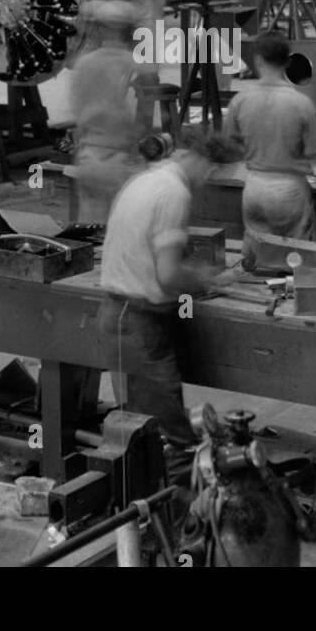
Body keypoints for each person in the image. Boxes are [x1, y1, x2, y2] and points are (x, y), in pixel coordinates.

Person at [97, 126, 238, 475]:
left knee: (138, 434)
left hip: (118, 315)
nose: (208, 182)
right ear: (202, 162)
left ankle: (140, 515)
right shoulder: (175, 193)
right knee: (172, 445)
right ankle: (175, 523)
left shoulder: (145, 179)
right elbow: (169, 275)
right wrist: (205, 278)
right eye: (212, 172)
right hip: (140, 325)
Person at [222, 32, 316, 271]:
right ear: (287, 63)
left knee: (259, 261)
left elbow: (229, 147)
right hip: (289, 190)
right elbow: (314, 155)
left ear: (257, 60)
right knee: (301, 263)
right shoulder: (301, 103)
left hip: (255, 187)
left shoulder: (240, 100)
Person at [68, 0, 156, 223]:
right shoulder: (139, 67)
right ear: (131, 31)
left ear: (98, 29)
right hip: (121, 159)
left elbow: (76, 113)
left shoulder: (83, 64)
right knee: (124, 233)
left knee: (90, 232)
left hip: (88, 157)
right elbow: (143, 120)